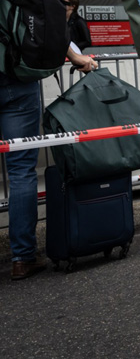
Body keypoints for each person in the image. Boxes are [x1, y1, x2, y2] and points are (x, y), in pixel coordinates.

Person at [5, 33, 98, 280]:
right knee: (21, 169)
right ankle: (22, 258)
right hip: (15, 78)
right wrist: (76, 57)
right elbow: (51, 24)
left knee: (20, 168)